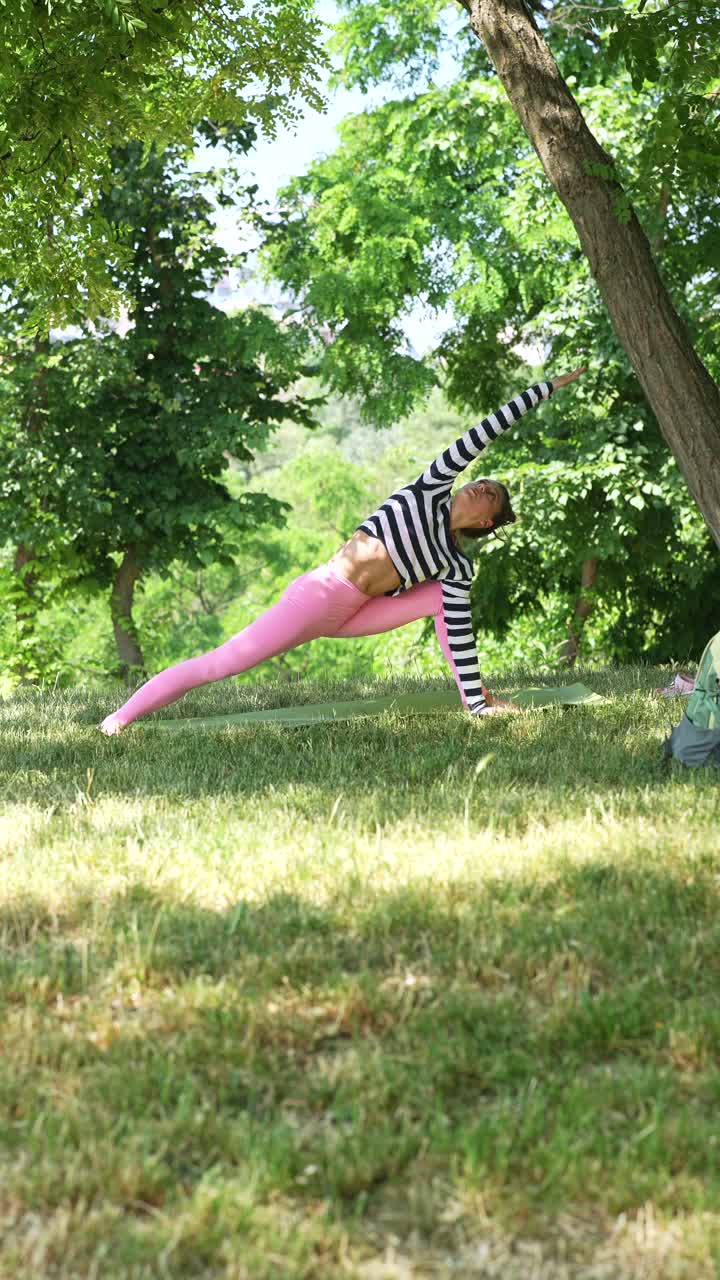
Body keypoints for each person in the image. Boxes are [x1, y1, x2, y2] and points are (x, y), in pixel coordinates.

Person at [99, 366, 585, 734]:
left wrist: (476, 693)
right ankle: (118, 720)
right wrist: (545, 389)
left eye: (490, 495)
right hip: (321, 595)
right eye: (480, 482)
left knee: (449, 598)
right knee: (223, 663)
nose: (479, 487)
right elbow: (485, 431)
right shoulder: (431, 488)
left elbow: (458, 632)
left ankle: (477, 704)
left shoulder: (453, 561)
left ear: (485, 521)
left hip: (357, 611)